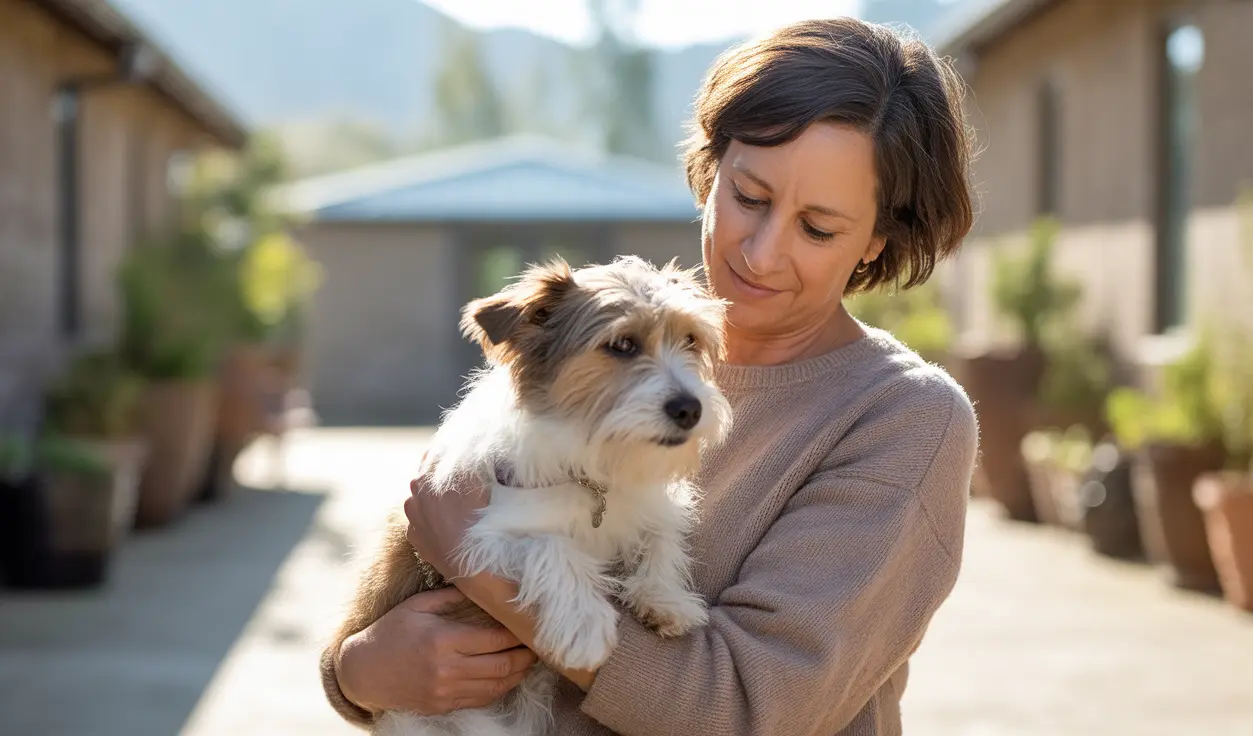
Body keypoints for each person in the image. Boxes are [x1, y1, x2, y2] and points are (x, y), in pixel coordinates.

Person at [322, 16, 978, 735]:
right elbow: (389, 621)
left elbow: (751, 710)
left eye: (817, 228)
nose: (760, 253)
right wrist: (358, 670)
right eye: (749, 197)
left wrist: (482, 570)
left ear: (876, 240)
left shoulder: (903, 420)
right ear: (710, 169)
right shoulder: (584, 349)